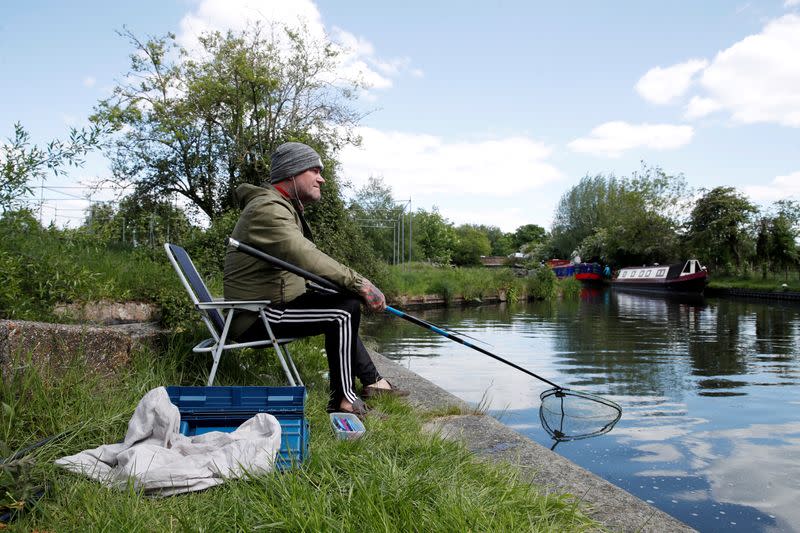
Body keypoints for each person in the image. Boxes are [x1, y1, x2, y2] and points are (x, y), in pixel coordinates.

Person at [223, 142, 406, 416]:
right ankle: (343, 400)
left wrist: (350, 289)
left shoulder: (280, 207)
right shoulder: (268, 210)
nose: (321, 178)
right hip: (255, 316)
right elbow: (304, 254)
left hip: (273, 303)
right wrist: (361, 284)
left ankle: (371, 381)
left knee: (345, 302)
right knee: (341, 313)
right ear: (292, 173)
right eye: (314, 170)